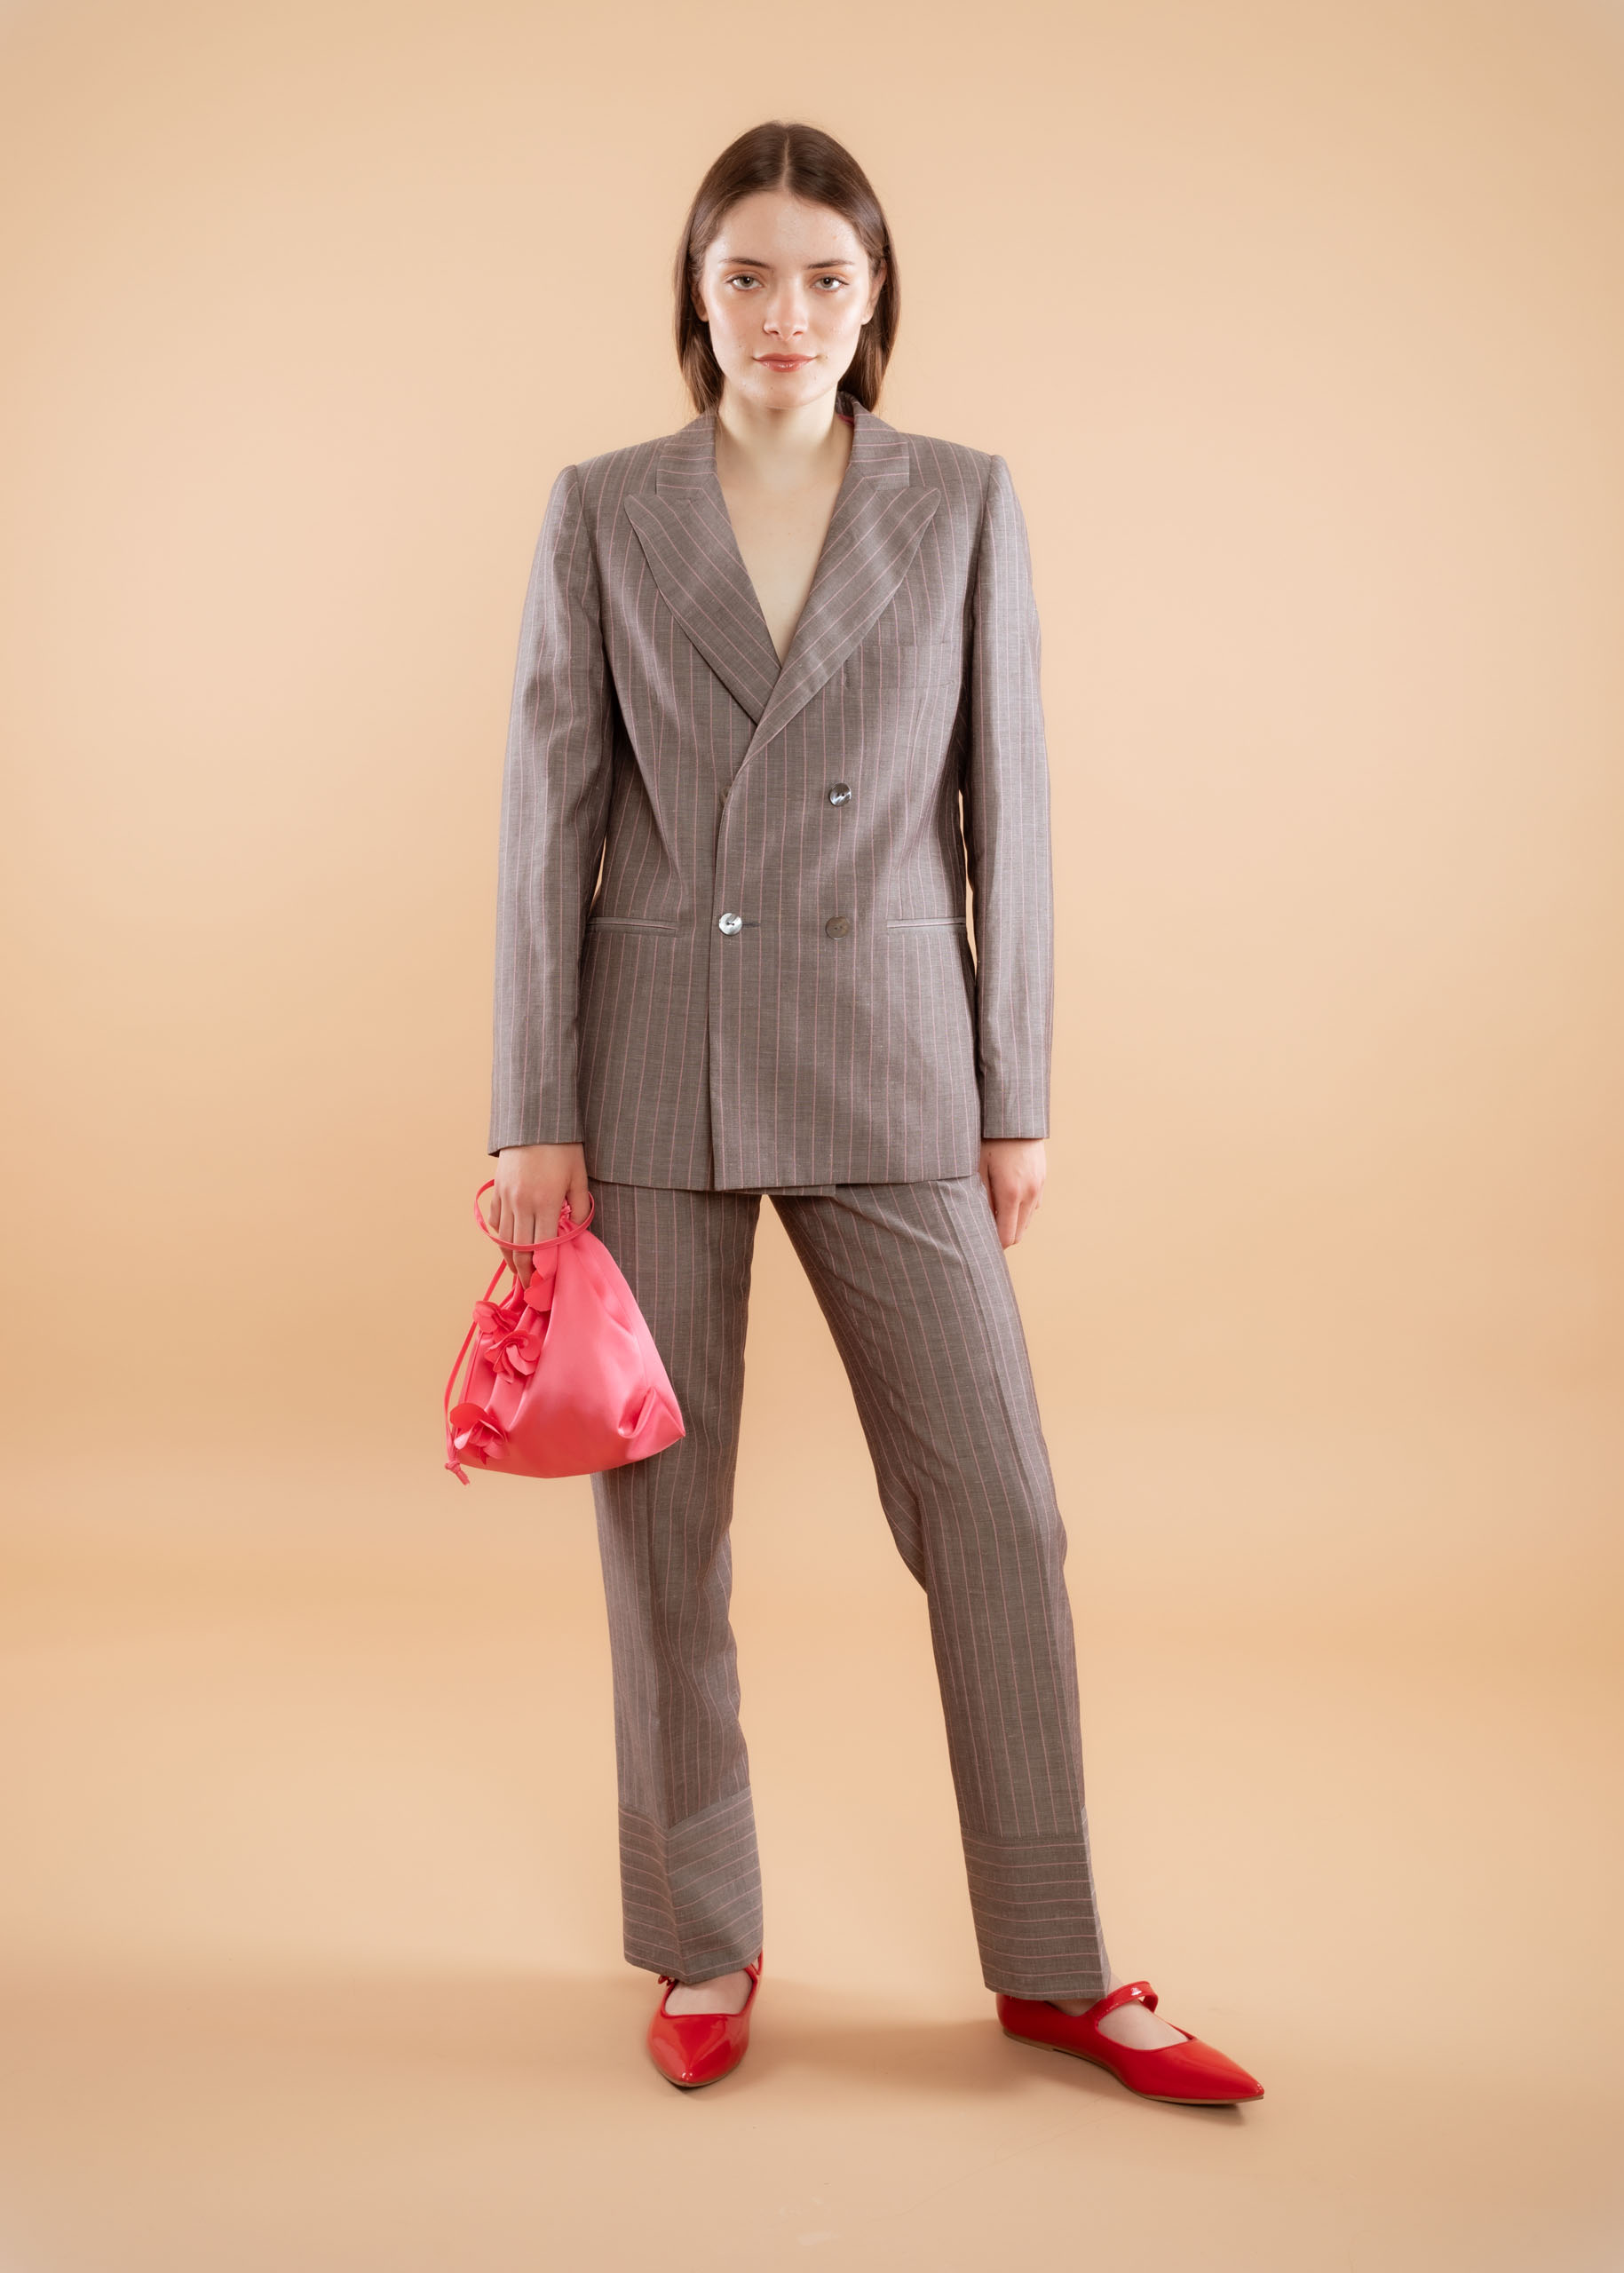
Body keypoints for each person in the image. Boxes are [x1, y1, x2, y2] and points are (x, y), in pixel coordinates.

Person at [483, 119, 1263, 2107]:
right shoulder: (604, 507)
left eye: (827, 277)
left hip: (896, 1056)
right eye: (747, 274)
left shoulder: (963, 500)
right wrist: (531, 1106)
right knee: (666, 1533)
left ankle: (1060, 1966)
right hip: (653, 1062)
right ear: (696, 294)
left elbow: (1014, 806)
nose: (788, 313)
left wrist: (1014, 1093)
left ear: (876, 296)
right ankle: (704, 1935)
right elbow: (545, 822)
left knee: (997, 1511)